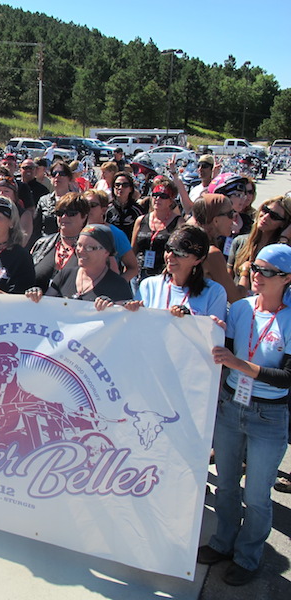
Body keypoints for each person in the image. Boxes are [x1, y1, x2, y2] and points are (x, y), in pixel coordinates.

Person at [198, 244, 291, 586]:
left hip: (269, 415)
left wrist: (239, 364)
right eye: (255, 267)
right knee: (225, 485)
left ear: (287, 279)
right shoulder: (239, 309)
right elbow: (221, 353)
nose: (257, 275)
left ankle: (248, 556)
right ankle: (223, 542)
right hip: (231, 406)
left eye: (268, 271)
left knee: (256, 494)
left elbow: (286, 377)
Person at [123, 225, 227, 320]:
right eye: (168, 249)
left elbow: (214, 335)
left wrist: (190, 321)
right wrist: (133, 311)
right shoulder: (149, 285)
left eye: (179, 253)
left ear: (198, 260)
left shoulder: (214, 293)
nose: (170, 256)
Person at [27, 224, 133, 305]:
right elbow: (46, 306)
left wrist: (113, 306)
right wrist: (36, 296)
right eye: (78, 245)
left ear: (106, 252)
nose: (81, 251)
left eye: (89, 248)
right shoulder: (65, 274)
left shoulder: (118, 285)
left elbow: (125, 320)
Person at [192, 194, 247, 304]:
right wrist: (245, 272)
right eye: (230, 214)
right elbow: (236, 298)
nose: (234, 219)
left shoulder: (189, 242)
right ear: (216, 221)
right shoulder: (211, 254)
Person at [31, 192, 89, 292]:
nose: (64, 217)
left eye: (71, 213)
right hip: (38, 306)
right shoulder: (41, 244)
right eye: (59, 212)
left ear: (84, 216)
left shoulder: (93, 247)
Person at [131, 178, 183, 285]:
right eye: (155, 195)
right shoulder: (141, 220)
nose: (157, 198)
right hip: (139, 275)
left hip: (163, 276)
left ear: (171, 200)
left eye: (163, 196)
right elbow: (133, 250)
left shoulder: (178, 222)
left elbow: (179, 252)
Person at [229, 196, 291, 285]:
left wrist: (284, 238)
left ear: (284, 224)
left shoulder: (285, 252)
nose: (265, 217)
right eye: (265, 210)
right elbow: (228, 279)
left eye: (274, 216)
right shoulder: (240, 241)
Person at [83, 189, 138, 282]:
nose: (87, 209)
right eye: (84, 205)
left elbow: (133, 268)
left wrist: (117, 285)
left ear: (103, 210)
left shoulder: (116, 234)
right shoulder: (76, 230)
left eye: (92, 205)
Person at [33, 162, 75, 240]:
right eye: (54, 173)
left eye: (62, 173)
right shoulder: (44, 200)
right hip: (47, 245)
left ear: (69, 178)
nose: (57, 176)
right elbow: (36, 228)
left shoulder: (77, 201)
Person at [105, 171, 143, 240]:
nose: (120, 188)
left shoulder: (137, 210)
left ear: (131, 189)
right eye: (117, 185)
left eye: (125, 185)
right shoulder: (107, 209)